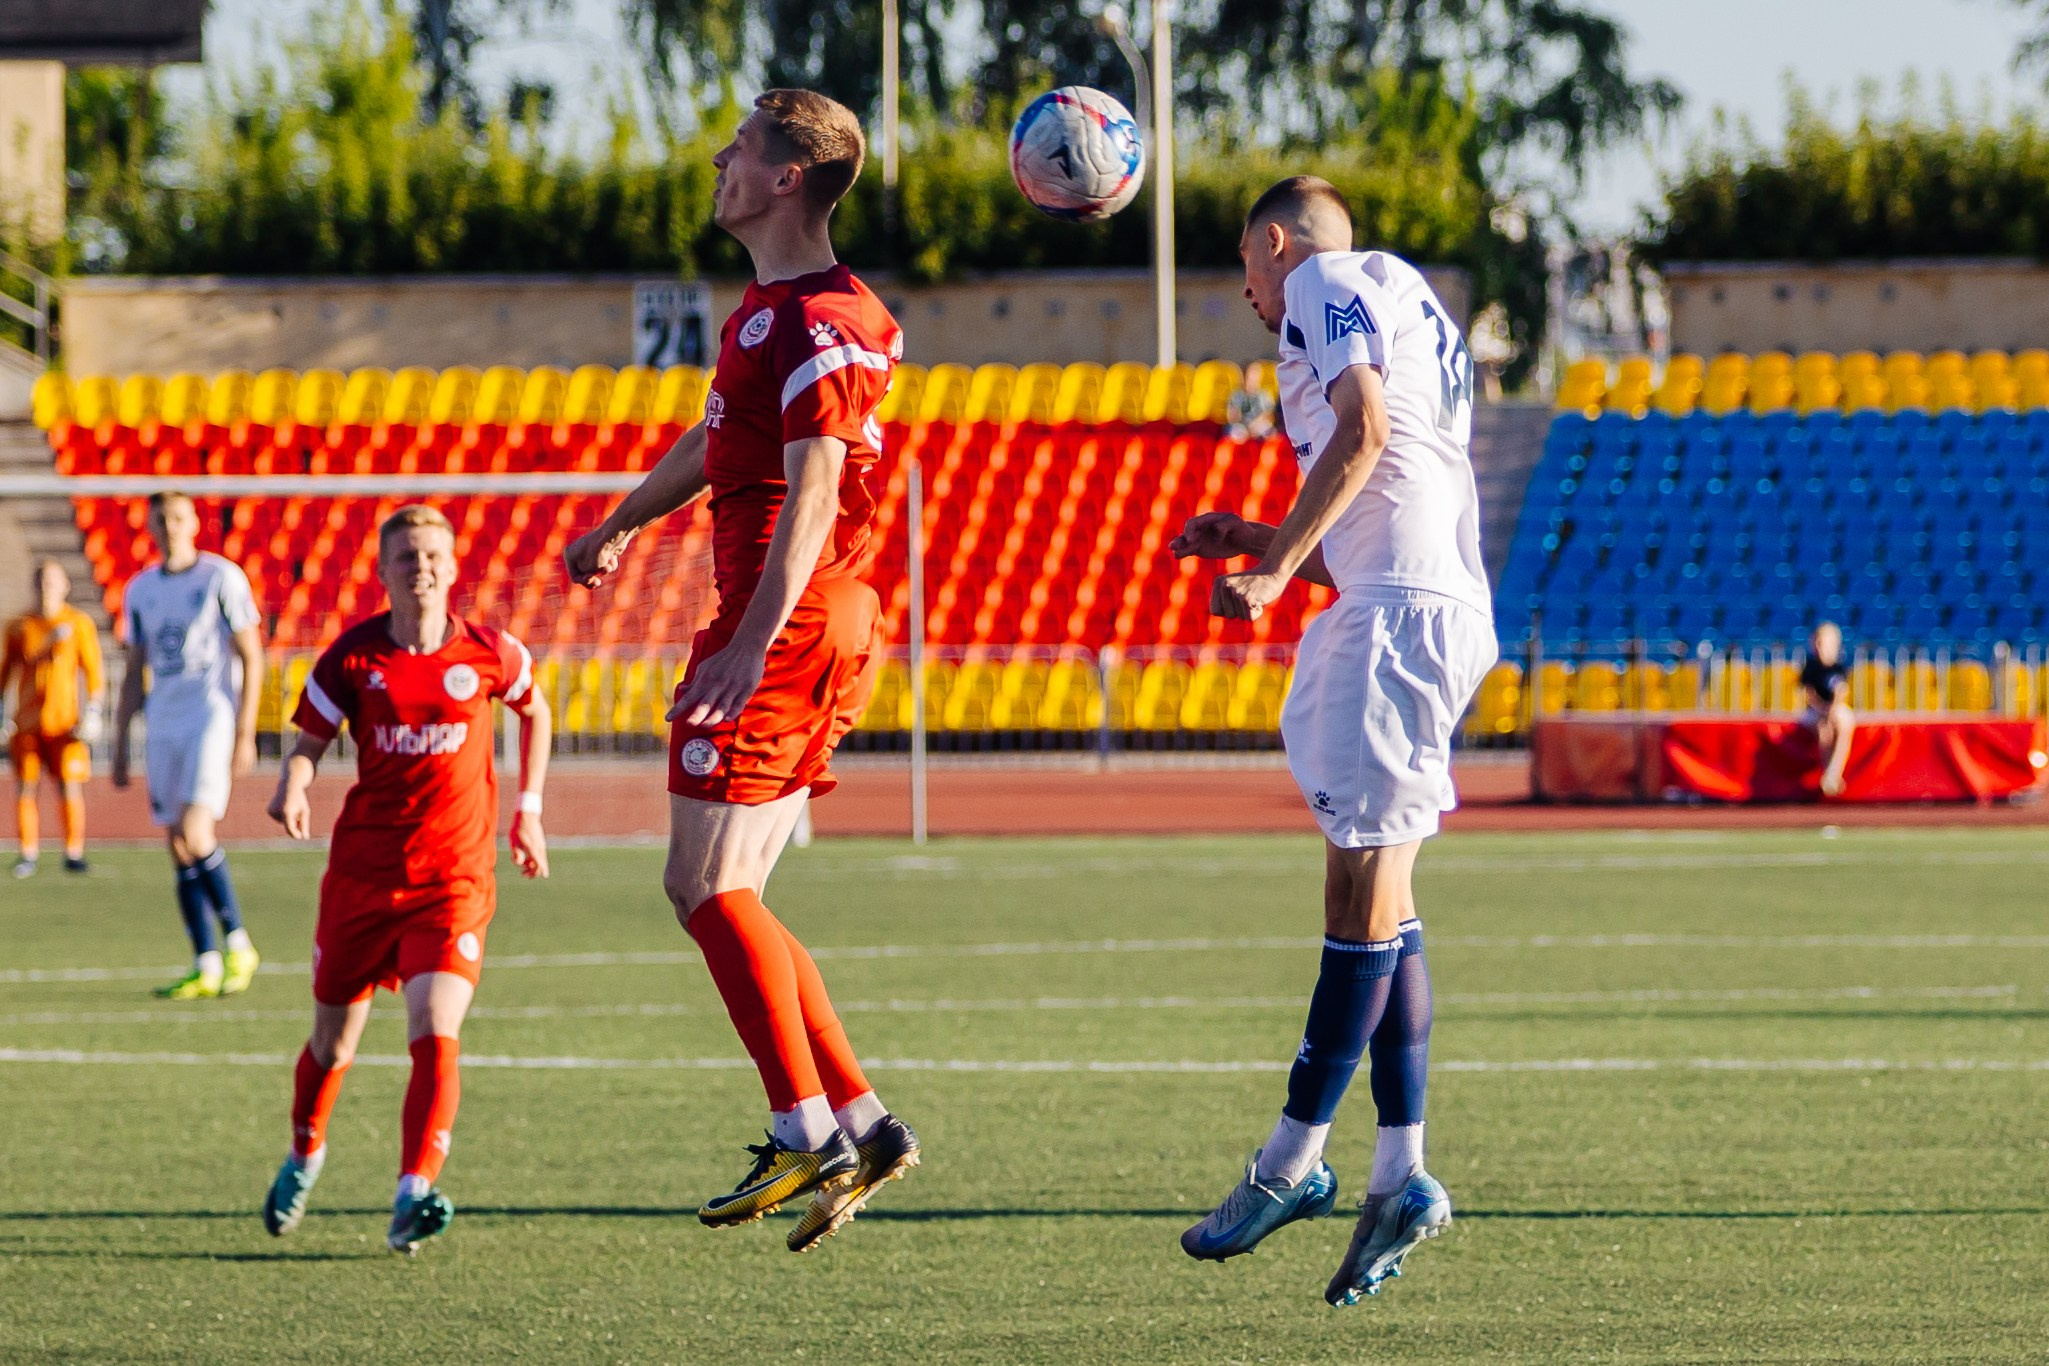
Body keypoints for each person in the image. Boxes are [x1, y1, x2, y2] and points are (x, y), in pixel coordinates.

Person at [563, 88, 919, 1254]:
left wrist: (751, 640)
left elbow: (813, 491)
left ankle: (803, 1128)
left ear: (784, 178)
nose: (719, 160)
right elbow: (718, 441)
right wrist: (623, 520)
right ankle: (861, 1120)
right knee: (731, 892)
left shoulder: (824, 318)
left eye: (739, 147)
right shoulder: (776, 312)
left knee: (703, 886)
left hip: (789, 618)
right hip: (807, 619)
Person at [1170, 176, 1497, 1306]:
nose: (1249, 294)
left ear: (1274, 243)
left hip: (1397, 616)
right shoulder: (1409, 299)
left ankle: (1289, 1163)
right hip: (1429, 602)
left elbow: (1364, 431)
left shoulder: (1323, 281)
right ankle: (1399, 1173)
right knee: (1385, 899)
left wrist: (1266, 573)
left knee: (1355, 898)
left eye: (1244, 266)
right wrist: (1259, 535)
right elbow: (1385, 501)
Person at [261, 505, 551, 1255]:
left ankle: (411, 1194)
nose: (420, 566)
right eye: (406, 556)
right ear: (383, 571)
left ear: (452, 568)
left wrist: (528, 810)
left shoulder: (489, 651)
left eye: (431, 555)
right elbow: (308, 744)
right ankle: (305, 1152)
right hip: (363, 880)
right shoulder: (353, 658)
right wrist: (293, 784)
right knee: (333, 1044)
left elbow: (536, 710)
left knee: (435, 1028)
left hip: (453, 879)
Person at [111, 492, 265, 1000]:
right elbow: (134, 670)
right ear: (151, 528)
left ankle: (238, 942)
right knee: (176, 842)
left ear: (195, 523)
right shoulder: (140, 589)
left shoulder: (220, 578)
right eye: (161, 519)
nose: (170, 527)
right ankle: (206, 962)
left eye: (178, 517)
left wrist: (245, 731)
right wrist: (119, 741)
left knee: (197, 833)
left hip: (209, 718)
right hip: (163, 723)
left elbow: (252, 655)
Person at [2, 560, 106, 877]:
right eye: (41, 581)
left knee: (69, 786)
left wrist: (93, 711)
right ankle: (28, 852)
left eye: (52, 581)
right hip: (28, 723)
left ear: (65, 585)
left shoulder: (78, 623)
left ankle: (73, 851)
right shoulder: (21, 626)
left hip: (65, 724)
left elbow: (93, 671)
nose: (46, 587)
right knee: (26, 787)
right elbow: (5, 674)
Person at [1800, 621, 1854, 797]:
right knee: (1824, 732)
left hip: (1834, 708)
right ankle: (1830, 775)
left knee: (1843, 723)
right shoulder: (1811, 667)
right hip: (1816, 710)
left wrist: (1831, 709)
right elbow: (1809, 693)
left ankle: (1833, 772)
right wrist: (1821, 709)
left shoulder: (1839, 667)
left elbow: (1841, 691)